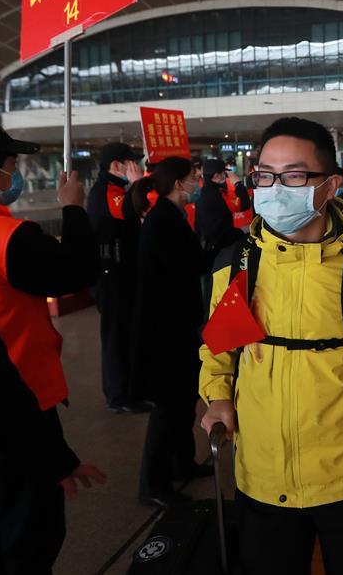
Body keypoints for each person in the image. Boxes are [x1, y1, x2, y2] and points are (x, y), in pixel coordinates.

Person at [199, 117, 343, 575]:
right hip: (261, 478)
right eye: (264, 175)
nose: (273, 188)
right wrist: (218, 398)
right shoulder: (238, 265)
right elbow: (218, 351)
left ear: (330, 185)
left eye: (293, 176)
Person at [0, 116, 104, 573]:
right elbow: (76, 271)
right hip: (15, 401)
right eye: (9, 164)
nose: (13, 174)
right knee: (29, 534)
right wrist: (73, 208)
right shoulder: (7, 238)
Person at [0, 296, 106, 575]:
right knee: (26, 541)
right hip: (15, 424)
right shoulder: (5, 250)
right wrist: (55, 460)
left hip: (21, 410)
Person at [130, 157, 208, 507]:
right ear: (179, 183)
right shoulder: (162, 221)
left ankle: (182, 464)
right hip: (165, 331)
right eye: (193, 177)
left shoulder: (170, 216)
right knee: (168, 406)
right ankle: (153, 484)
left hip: (178, 325)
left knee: (182, 402)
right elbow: (187, 266)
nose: (197, 182)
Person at [86, 142, 149, 414]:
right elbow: (128, 212)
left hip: (120, 271)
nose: (135, 168)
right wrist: (137, 185)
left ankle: (128, 389)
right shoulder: (106, 191)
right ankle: (118, 395)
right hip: (111, 274)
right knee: (116, 335)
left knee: (126, 332)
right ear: (116, 165)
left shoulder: (112, 188)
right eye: (130, 163)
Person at [195, 159, 250, 267]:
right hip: (221, 249)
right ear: (216, 176)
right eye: (224, 173)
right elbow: (244, 204)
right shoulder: (218, 195)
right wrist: (238, 184)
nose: (226, 176)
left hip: (207, 248)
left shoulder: (203, 194)